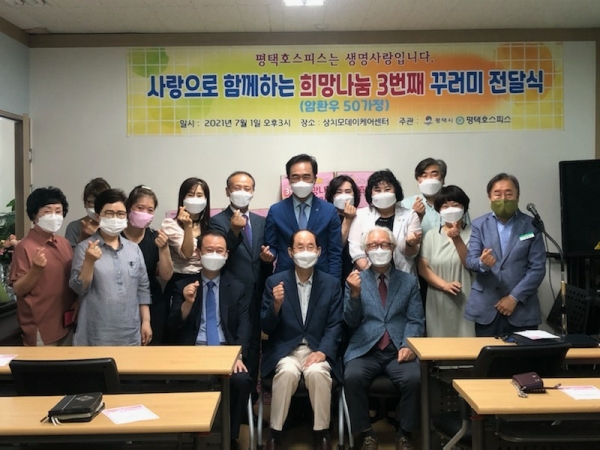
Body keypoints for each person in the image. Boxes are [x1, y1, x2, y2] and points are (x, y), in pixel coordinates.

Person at [167, 229, 251, 450]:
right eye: (209, 250)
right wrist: (187, 303)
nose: (214, 255)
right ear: (198, 252)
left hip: (225, 351)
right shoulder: (182, 285)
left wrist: (238, 356)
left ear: (227, 255)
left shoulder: (237, 287)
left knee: (241, 380)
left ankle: (230, 437)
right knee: (181, 380)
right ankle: (186, 435)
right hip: (193, 351)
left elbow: (244, 326)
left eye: (219, 251)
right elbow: (172, 327)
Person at [261, 230, 343, 450]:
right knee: (286, 373)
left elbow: (335, 324)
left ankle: (322, 433)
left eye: (310, 247)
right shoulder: (274, 282)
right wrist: (275, 306)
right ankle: (275, 433)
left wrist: (323, 351)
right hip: (285, 351)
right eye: (300, 247)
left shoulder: (331, 284)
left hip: (317, 349)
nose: (305, 251)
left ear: (318, 251)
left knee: (318, 373)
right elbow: (266, 327)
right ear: (290, 252)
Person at [343, 226, 424, 450]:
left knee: (415, 378)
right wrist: (355, 294)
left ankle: (405, 433)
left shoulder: (408, 281)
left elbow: (416, 319)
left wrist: (408, 345)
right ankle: (366, 433)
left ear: (393, 248)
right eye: (373, 245)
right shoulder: (355, 280)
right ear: (365, 250)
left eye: (384, 244)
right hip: (365, 349)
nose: (379, 249)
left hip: (397, 349)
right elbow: (350, 321)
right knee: (351, 376)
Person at [211, 171, 272, 395]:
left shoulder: (261, 221)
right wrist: (234, 230)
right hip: (231, 296)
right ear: (227, 191)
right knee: (235, 343)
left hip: (257, 294)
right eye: (237, 188)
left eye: (247, 188)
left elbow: (261, 261)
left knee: (254, 347)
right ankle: (230, 401)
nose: (242, 192)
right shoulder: (217, 221)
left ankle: (250, 401)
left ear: (253, 192)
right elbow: (218, 256)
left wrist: (267, 260)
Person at [465, 173, 546, 337]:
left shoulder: (532, 225)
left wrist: (514, 297)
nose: (503, 199)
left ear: (517, 196)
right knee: (488, 353)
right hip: (486, 307)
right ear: (489, 197)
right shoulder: (479, 224)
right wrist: (482, 264)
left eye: (509, 194)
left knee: (523, 354)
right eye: (497, 194)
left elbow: (537, 268)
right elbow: (470, 260)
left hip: (522, 308)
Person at [70, 188, 152, 346]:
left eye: (120, 214)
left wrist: (146, 321)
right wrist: (89, 262)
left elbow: (142, 289)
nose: (115, 218)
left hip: (130, 333)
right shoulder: (84, 248)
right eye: (109, 213)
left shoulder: (134, 249)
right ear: (97, 216)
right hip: (96, 334)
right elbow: (78, 288)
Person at [10, 187, 77, 346]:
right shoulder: (25, 247)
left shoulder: (63, 243)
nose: (54, 216)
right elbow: (18, 289)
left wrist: (77, 301)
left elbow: (71, 279)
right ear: (34, 215)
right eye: (47, 211)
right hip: (41, 327)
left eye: (58, 211)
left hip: (67, 321)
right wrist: (36, 270)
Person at [264, 154, 342, 280]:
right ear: (288, 179)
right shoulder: (276, 211)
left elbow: (335, 253)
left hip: (321, 278)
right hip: (285, 278)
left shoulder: (329, 210)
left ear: (314, 179)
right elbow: (271, 246)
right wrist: (269, 254)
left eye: (306, 177)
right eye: (295, 177)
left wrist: (333, 283)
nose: (301, 182)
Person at [417, 185, 475, 337]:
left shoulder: (475, 233)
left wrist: (457, 238)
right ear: (439, 210)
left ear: (464, 207)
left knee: (467, 340)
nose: (451, 210)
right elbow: (423, 268)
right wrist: (444, 285)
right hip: (437, 298)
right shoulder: (431, 235)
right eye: (445, 206)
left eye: (455, 205)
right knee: (439, 341)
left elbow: (471, 264)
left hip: (467, 296)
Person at [122, 185, 173, 345]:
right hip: (122, 304)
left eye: (150, 210)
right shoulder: (116, 237)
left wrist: (164, 249)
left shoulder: (155, 237)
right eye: (140, 208)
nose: (144, 213)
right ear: (129, 208)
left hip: (152, 303)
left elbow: (166, 275)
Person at [348, 170, 421, 275]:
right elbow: (355, 249)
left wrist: (410, 243)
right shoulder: (360, 215)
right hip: (367, 274)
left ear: (396, 191)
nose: (383, 194)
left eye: (387, 189)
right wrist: (371, 275)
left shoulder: (410, 215)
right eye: (377, 190)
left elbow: (412, 254)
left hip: (402, 274)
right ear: (370, 193)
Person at [161, 177, 210, 311]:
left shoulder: (210, 226)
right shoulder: (170, 225)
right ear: (182, 198)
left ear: (206, 200)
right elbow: (187, 254)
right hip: (179, 280)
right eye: (190, 195)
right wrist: (188, 226)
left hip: (204, 280)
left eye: (199, 195)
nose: (195, 199)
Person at [325, 175, 359, 288]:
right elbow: (337, 245)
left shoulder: (362, 216)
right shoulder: (327, 217)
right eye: (338, 192)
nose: (344, 195)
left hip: (358, 269)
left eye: (348, 191)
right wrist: (347, 219)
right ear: (332, 196)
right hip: (336, 269)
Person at [400, 158, 447, 235]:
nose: (429, 179)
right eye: (424, 175)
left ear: (442, 179)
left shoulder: (456, 203)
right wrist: (414, 216)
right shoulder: (406, 205)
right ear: (418, 181)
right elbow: (400, 236)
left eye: (434, 175)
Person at [65, 177, 111, 248]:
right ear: (85, 203)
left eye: (102, 202)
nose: (97, 206)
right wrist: (83, 238)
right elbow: (70, 254)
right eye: (93, 202)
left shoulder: (115, 226)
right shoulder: (74, 227)